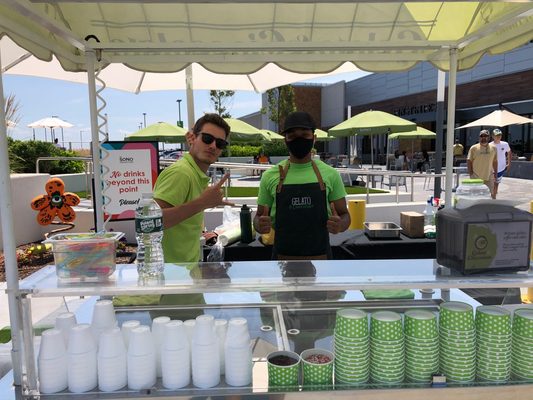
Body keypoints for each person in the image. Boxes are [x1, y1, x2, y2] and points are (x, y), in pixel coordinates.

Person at [253, 111, 350, 260]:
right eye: (292, 136)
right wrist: (260, 225)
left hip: (321, 262)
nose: (299, 140)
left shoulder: (330, 174)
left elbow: (345, 215)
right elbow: (258, 218)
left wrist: (340, 225)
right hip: (281, 262)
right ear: (285, 140)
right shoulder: (270, 176)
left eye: (304, 135)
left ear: (314, 138)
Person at [153, 113, 234, 263]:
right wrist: (203, 203)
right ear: (192, 138)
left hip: (186, 270)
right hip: (173, 275)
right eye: (207, 138)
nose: (213, 146)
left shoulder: (194, 173)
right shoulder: (181, 173)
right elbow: (152, 222)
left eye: (220, 143)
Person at [467, 129, 498, 198]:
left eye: (485, 136)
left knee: (491, 195)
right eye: (482, 136)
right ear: (479, 137)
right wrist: (471, 173)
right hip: (476, 177)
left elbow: (495, 161)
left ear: (489, 137)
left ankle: (490, 208)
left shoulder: (494, 148)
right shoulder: (474, 148)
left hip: (489, 177)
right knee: (475, 196)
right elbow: (469, 160)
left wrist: (495, 173)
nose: (483, 138)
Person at [490, 128, 512, 199]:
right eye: (496, 135)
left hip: (501, 168)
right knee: (492, 183)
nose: (498, 136)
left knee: (496, 183)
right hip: (491, 169)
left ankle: (494, 197)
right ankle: (492, 195)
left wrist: (509, 163)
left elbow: (509, 153)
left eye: (500, 135)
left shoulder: (505, 144)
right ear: (493, 136)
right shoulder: (489, 145)